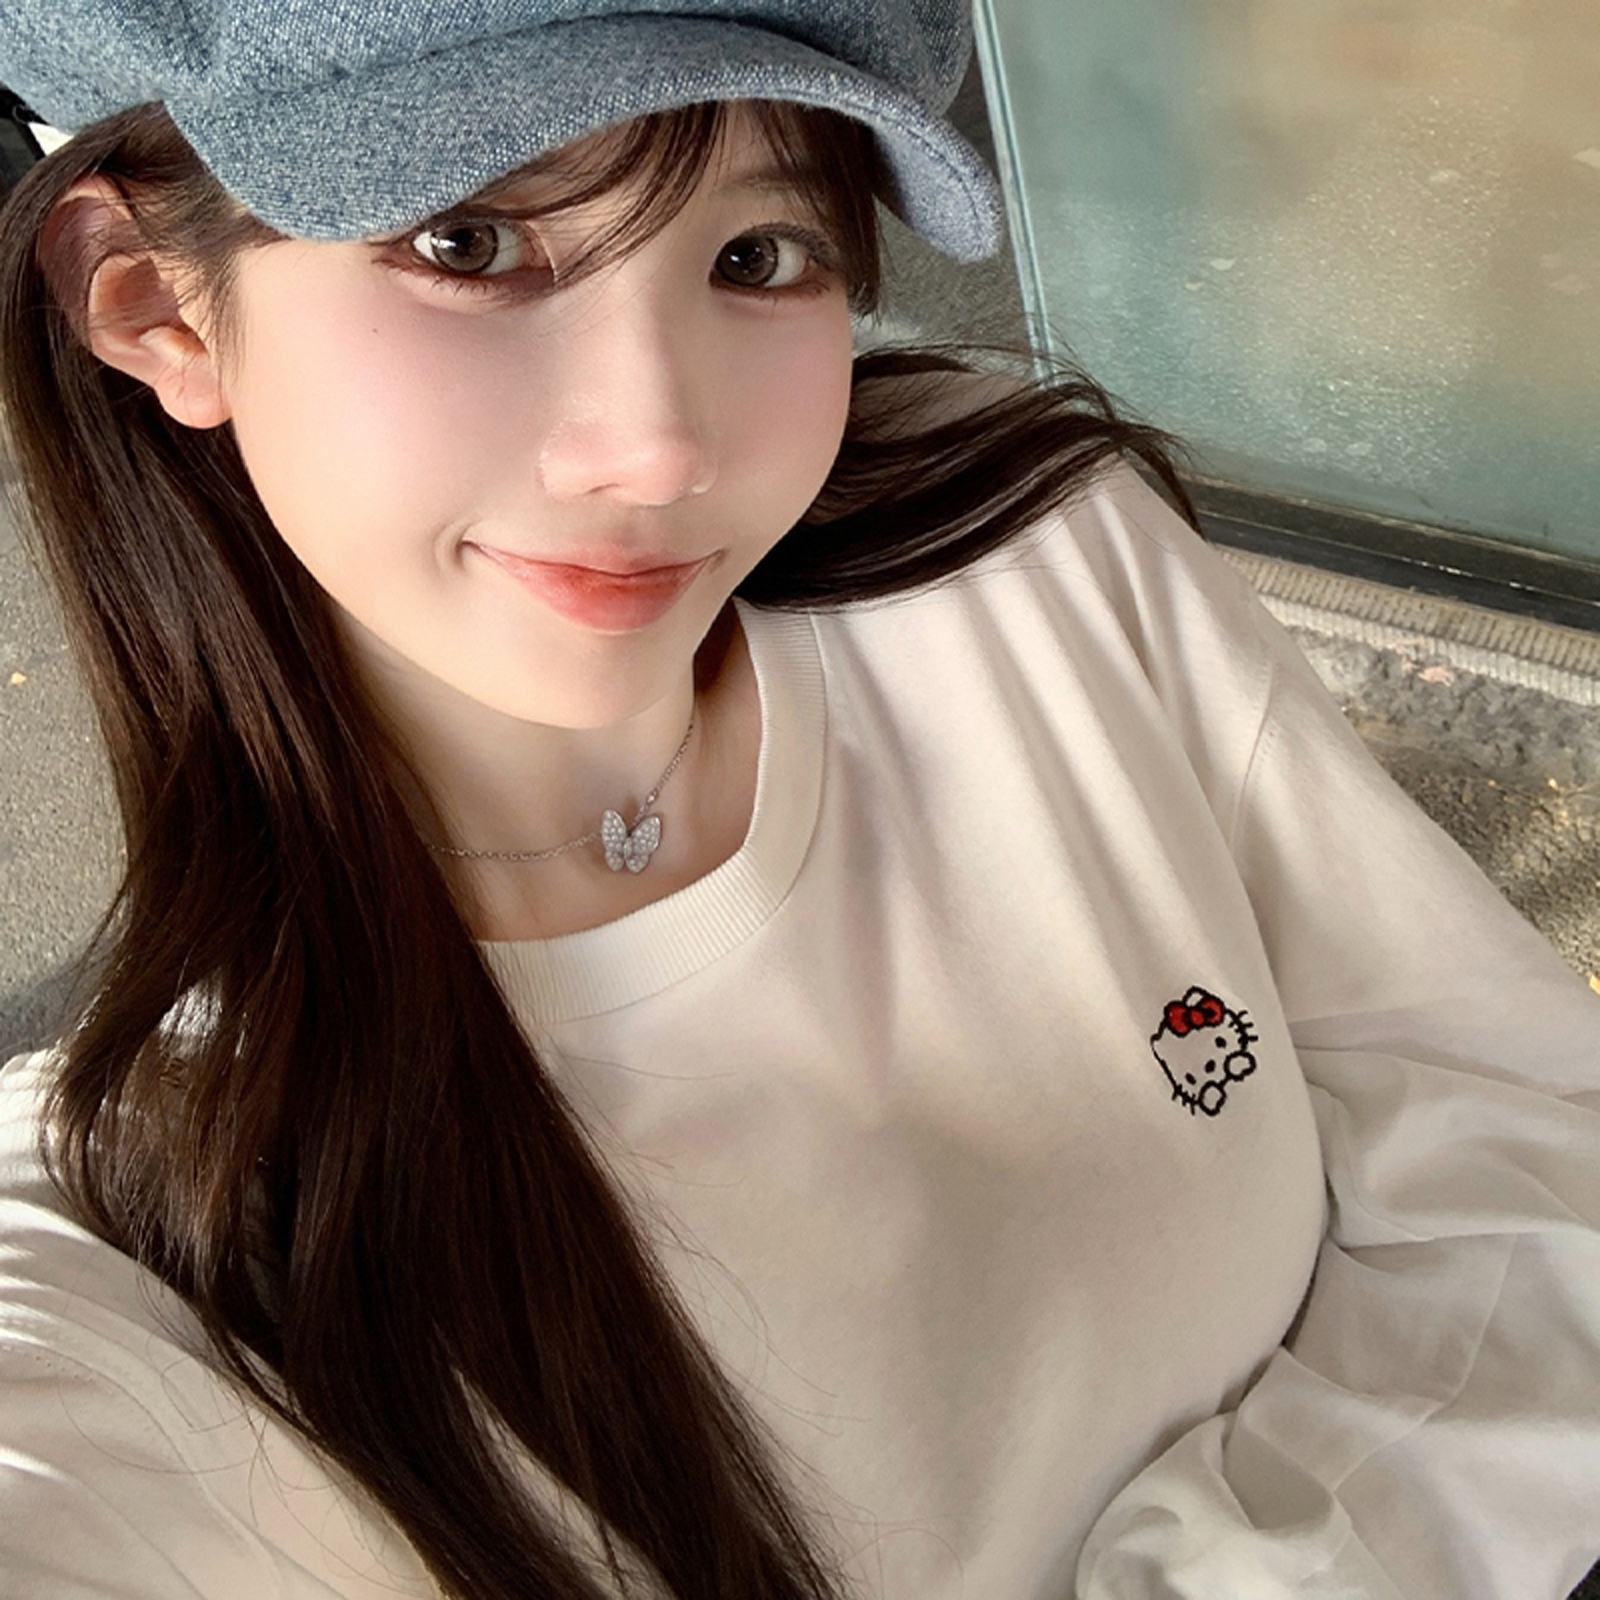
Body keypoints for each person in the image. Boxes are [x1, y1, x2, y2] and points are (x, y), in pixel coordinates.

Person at [0, 2, 1597, 1597]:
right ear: (153, 302)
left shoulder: (1023, 553)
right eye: (468, 243)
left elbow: (1521, 1132)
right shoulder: (161, 1203)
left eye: (758, 255)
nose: (658, 449)